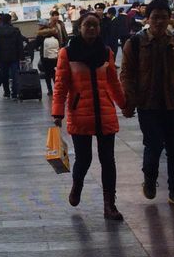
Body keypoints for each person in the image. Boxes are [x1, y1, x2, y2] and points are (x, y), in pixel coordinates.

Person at [52, 12, 126, 220]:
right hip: (80, 114)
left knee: (108, 160)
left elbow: (113, 83)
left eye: (95, 25)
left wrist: (124, 105)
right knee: (84, 159)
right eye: (88, 25)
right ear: (79, 28)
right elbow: (61, 85)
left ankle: (109, 204)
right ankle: (77, 186)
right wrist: (57, 112)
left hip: (105, 113)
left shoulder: (106, 52)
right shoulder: (67, 53)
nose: (92, 29)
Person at [120, 0, 174, 205]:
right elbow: (127, 74)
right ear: (147, 19)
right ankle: (150, 178)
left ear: (169, 19)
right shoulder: (136, 42)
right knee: (153, 144)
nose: (159, 22)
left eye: (163, 18)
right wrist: (130, 99)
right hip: (147, 104)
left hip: (172, 102)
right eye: (155, 17)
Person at [0, 12, 26, 99]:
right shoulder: (15, 30)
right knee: (15, 75)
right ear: (10, 20)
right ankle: (15, 92)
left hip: (2, 57)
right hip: (14, 56)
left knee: (4, 75)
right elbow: (19, 45)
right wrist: (22, 57)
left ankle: (6, 92)